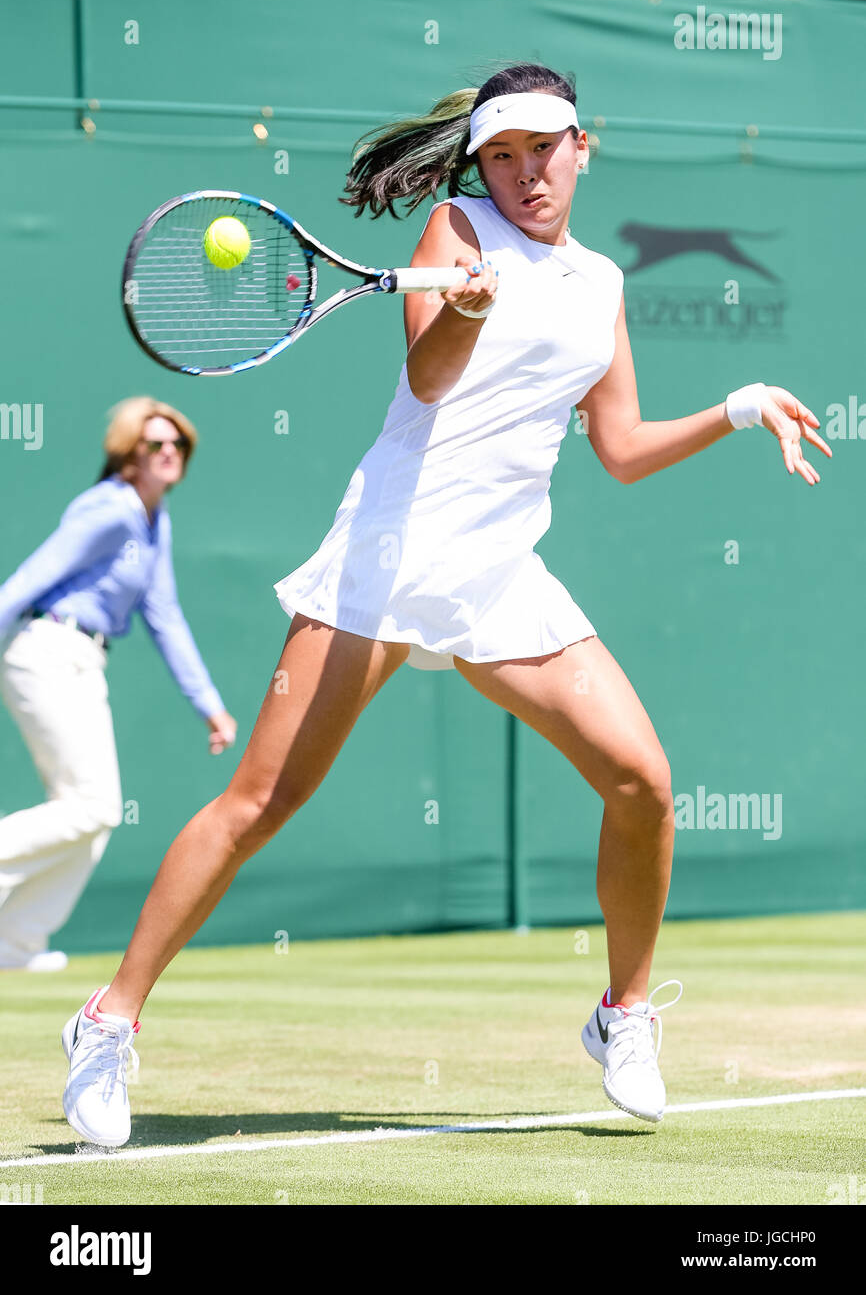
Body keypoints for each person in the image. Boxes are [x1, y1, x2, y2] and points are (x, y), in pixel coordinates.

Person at [59, 62, 830, 1148]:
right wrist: (463, 313)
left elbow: (617, 449)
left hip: (499, 569)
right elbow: (427, 380)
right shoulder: (454, 229)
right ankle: (104, 1022)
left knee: (642, 781)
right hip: (387, 551)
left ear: (581, 145)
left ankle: (620, 1015)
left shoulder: (600, 283)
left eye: (543, 151)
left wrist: (739, 408)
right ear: (481, 163)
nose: (523, 175)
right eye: (502, 155)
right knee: (260, 802)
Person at [0, 398, 237, 971]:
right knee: (93, 806)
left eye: (177, 444)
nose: (167, 453)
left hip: (85, 660)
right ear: (127, 455)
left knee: (96, 817)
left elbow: (165, 615)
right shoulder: (109, 510)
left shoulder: (156, 520)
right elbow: (31, 577)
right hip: (47, 651)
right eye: (154, 444)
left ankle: (15, 941)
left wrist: (208, 704)